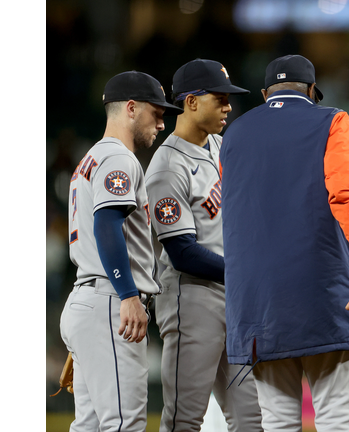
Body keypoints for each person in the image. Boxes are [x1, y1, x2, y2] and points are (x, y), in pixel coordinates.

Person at [219, 54, 349, 432]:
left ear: (265, 94)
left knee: (278, 423)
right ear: (312, 90)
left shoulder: (233, 134)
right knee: (335, 418)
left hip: (256, 302)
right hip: (321, 292)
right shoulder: (332, 121)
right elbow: (347, 196)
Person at [144, 59, 262, 432]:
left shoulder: (222, 146)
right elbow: (182, 252)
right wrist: (245, 274)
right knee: (185, 419)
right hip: (193, 298)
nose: (228, 106)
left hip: (232, 296)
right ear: (192, 102)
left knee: (252, 418)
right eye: (220, 98)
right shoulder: (168, 166)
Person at [60, 71, 182, 431]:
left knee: (90, 425)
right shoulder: (118, 158)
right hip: (110, 303)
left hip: (90, 300)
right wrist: (128, 295)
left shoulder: (91, 158)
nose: (161, 124)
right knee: (125, 423)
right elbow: (106, 226)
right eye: (156, 113)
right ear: (131, 108)